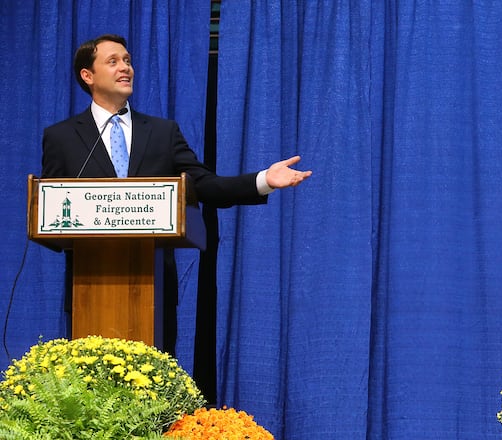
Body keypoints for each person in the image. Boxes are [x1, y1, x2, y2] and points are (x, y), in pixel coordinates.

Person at [41, 34, 312, 355]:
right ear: (88, 75)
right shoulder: (61, 137)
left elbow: (205, 185)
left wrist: (263, 179)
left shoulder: (162, 133)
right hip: (89, 287)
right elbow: (51, 213)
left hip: (155, 290)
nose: (125, 67)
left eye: (127, 60)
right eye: (113, 61)